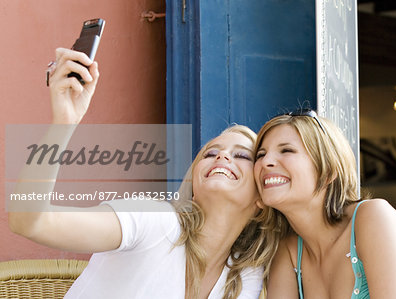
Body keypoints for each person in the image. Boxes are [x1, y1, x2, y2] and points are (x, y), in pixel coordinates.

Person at [8, 48, 280, 299]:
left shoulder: (243, 276)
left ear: (261, 201)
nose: (221, 156)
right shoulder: (156, 222)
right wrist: (63, 123)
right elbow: (30, 221)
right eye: (210, 153)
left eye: (242, 155)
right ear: (194, 181)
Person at [253, 109, 396, 298]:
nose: (265, 161)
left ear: (328, 170)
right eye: (260, 154)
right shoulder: (289, 251)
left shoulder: (373, 217)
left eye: (286, 150)